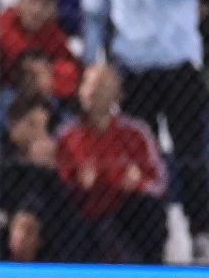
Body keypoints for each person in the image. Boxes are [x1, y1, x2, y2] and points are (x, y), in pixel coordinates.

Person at [82, 0, 209, 260]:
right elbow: (93, 15)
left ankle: (201, 232)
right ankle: (150, 237)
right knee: (138, 156)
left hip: (177, 70)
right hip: (132, 72)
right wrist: (92, 62)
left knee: (189, 152)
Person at [56, 63, 169, 263]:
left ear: (117, 94)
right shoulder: (66, 135)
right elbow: (56, 185)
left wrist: (139, 183)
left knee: (148, 211)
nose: (92, 91)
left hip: (124, 212)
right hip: (83, 215)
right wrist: (78, 185)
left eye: (100, 86)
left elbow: (159, 183)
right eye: (87, 84)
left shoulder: (136, 132)